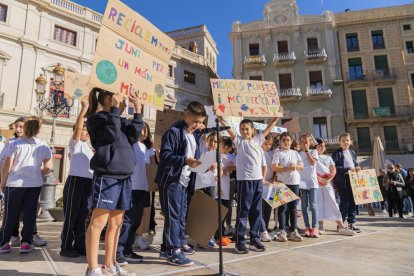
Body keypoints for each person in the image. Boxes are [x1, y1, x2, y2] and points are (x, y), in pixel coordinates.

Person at [84, 88, 143, 276]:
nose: (124, 101)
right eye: (120, 98)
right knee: (98, 222)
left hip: (124, 176)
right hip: (107, 176)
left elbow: (134, 136)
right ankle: (92, 267)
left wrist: (138, 110)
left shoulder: (120, 119)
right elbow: (108, 136)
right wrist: (116, 110)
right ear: (110, 98)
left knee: (116, 223)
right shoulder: (96, 118)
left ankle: (110, 264)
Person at [218, 115, 279, 254]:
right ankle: (240, 242)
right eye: (242, 129)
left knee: (256, 212)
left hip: (257, 181)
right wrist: (221, 119)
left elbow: (268, 129)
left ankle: (254, 240)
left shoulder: (258, 141)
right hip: (244, 181)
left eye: (247, 129)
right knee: (243, 212)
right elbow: (230, 130)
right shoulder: (239, 142)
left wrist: (275, 118)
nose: (244, 131)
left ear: (252, 130)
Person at [155, 101, 205, 266]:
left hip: (184, 181)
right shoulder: (174, 132)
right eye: (194, 121)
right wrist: (185, 160)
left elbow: (193, 156)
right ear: (186, 116)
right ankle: (173, 251)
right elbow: (165, 156)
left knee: (179, 215)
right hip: (171, 181)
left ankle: (166, 247)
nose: (197, 125)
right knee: (173, 217)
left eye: (200, 122)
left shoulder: (193, 134)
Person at [0, 116, 52, 254]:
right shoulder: (44, 145)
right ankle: (26, 243)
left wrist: (2, 182)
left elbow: (6, 166)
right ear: (39, 129)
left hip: (15, 184)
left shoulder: (14, 144)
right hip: (34, 184)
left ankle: (4, 243)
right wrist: (37, 174)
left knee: (10, 214)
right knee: (30, 215)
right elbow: (48, 167)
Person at [60, 98, 93, 258]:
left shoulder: (89, 148)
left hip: (88, 184)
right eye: (83, 130)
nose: (86, 132)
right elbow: (79, 127)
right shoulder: (75, 143)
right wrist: (84, 109)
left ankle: (80, 245)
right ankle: (66, 246)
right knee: (71, 216)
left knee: (83, 216)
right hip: (75, 182)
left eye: (88, 131)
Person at [116, 122, 152, 266]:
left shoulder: (145, 148)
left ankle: (128, 249)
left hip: (142, 188)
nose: (142, 131)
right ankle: (118, 251)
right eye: (139, 128)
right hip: (130, 188)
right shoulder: (128, 144)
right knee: (127, 222)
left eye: (144, 129)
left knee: (136, 221)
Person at [314, 139, 356, 236]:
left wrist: (328, 180)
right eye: (319, 146)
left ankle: (341, 226)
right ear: (315, 147)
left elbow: (333, 170)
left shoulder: (328, 157)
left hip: (328, 183)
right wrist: (319, 179)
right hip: (316, 182)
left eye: (323, 146)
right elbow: (311, 169)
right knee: (319, 203)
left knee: (333, 203)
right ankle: (320, 226)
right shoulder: (313, 157)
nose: (321, 148)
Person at [272, 132, 303, 242]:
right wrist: (287, 168)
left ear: (291, 141)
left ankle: (293, 230)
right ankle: (282, 230)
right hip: (281, 183)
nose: (286, 142)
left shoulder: (295, 153)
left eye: (288, 140)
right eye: (284, 140)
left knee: (293, 208)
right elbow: (274, 167)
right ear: (280, 142)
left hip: (294, 182)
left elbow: (301, 167)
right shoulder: (277, 153)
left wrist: (294, 166)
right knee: (282, 208)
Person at [332, 133, 361, 233]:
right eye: (343, 140)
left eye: (347, 140)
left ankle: (352, 223)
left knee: (353, 202)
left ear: (350, 141)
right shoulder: (337, 153)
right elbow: (333, 167)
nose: (346, 142)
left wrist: (357, 167)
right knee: (344, 202)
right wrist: (346, 169)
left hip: (353, 180)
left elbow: (355, 163)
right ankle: (341, 224)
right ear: (340, 142)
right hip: (343, 180)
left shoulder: (352, 152)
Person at [298, 134, 319, 238]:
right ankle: (307, 227)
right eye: (302, 142)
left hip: (312, 182)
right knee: (304, 206)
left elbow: (312, 163)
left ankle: (315, 228)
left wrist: (307, 151)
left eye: (306, 142)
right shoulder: (298, 153)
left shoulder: (314, 152)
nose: (304, 144)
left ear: (310, 142)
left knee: (313, 205)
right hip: (301, 183)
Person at [260, 134, 275, 242]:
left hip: (270, 183)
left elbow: (274, 169)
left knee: (268, 207)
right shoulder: (259, 152)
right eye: (266, 144)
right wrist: (262, 179)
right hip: (261, 182)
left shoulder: (272, 154)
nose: (268, 146)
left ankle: (265, 226)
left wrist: (273, 179)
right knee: (260, 207)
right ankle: (260, 227)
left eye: (270, 144)